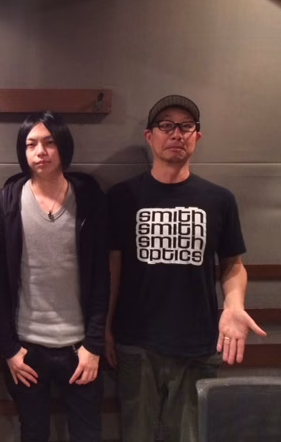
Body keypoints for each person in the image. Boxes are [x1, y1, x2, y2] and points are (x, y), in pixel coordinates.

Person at [105, 95, 267, 442]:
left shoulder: (219, 199)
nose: (176, 133)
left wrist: (234, 304)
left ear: (197, 136)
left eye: (186, 126)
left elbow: (233, 264)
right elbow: (113, 267)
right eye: (166, 126)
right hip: (136, 343)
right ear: (150, 136)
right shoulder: (122, 197)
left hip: (197, 344)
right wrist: (105, 326)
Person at [0, 111, 109, 442]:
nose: (40, 151)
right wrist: (9, 349)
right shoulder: (6, 203)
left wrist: (94, 345)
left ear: (63, 147)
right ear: (23, 151)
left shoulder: (89, 199)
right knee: (33, 433)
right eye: (31, 144)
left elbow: (101, 276)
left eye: (49, 142)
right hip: (27, 350)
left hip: (80, 349)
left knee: (87, 435)